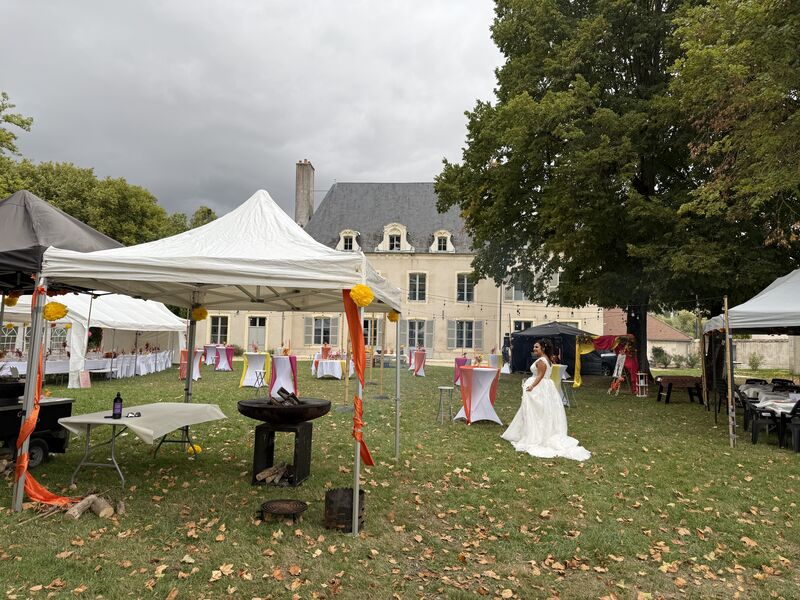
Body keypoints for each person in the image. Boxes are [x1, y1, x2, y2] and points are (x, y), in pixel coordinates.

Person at [501, 338, 590, 461]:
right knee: (538, 412)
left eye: (536, 347)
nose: (534, 349)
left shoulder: (542, 360)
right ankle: (530, 431)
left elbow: (540, 376)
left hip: (539, 389)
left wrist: (532, 386)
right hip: (545, 388)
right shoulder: (547, 359)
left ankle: (536, 435)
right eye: (534, 347)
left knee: (535, 412)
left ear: (542, 348)